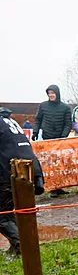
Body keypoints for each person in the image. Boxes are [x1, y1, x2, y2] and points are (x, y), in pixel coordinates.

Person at [0, 107, 46, 255]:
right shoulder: (9, 120)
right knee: (10, 212)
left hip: (12, 170)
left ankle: (23, 245)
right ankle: (20, 243)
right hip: (29, 168)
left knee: (2, 215)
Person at [33, 84, 71, 197]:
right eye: (49, 93)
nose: (51, 95)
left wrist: (63, 137)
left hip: (60, 139)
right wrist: (35, 131)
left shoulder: (65, 108)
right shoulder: (43, 106)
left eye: (52, 93)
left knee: (60, 163)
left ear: (57, 94)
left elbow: (68, 124)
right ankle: (52, 188)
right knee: (49, 163)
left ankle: (60, 186)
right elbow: (38, 119)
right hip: (47, 138)